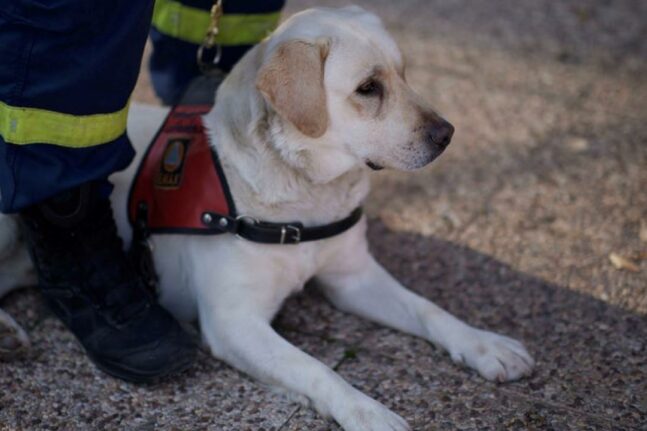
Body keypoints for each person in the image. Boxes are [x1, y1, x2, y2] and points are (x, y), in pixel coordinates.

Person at [0, 0, 285, 382]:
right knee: (78, 12)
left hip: (208, 114)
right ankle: (64, 216)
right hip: (60, 171)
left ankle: (200, 106)